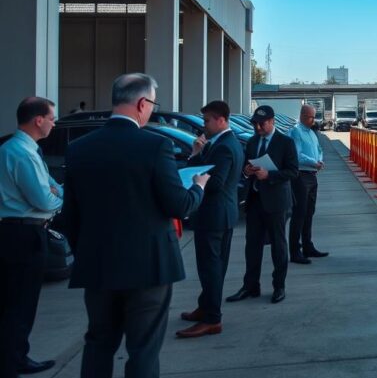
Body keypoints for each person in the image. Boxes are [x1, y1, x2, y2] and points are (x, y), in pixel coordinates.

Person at [62, 73, 208, 378]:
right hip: (148, 268)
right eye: (153, 104)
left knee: (98, 343)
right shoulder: (155, 146)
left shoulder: (79, 148)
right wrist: (198, 187)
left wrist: (87, 252)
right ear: (142, 103)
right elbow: (178, 205)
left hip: (98, 266)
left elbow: (70, 217)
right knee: (143, 349)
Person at [0, 97, 62, 377]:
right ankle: (12, 362)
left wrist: (55, 193)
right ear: (38, 120)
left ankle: (16, 356)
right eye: (51, 118)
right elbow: (44, 198)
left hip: (17, 231)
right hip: (23, 233)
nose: (53, 124)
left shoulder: (21, 149)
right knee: (20, 302)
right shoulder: (22, 153)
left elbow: (53, 188)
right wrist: (58, 199)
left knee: (16, 301)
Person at [176, 100, 243, 339]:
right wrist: (196, 155)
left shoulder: (224, 146)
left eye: (206, 121)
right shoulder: (223, 142)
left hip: (214, 215)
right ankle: (205, 307)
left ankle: (212, 319)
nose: (203, 126)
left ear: (221, 120)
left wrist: (196, 181)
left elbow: (215, 183)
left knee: (211, 268)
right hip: (220, 214)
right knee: (213, 267)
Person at [226, 106, 297, 305]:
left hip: (276, 202)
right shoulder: (252, 141)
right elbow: (245, 167)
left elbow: (293, 171)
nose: (258, 127)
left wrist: (270, 175)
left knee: (278, 246)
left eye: (262, 124)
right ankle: (250, 286)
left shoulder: (285, 142)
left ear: (272, 121)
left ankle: (279, 286)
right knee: (252, 245)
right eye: (255, 124)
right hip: (255, 200)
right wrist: (246, 171)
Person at [287, 104, 328, 265]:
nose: (313, 120)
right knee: (299, 213)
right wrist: (313, 162)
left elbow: (319, 149)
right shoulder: (296, 132)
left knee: (309, 212)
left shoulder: (311, 133)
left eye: (314, 116)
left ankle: (307, 246)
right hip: (301, 176)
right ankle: (295, 251)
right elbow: (296, 155)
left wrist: (320, 160)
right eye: (311, 117)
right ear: (303, 116)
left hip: (312, 175)